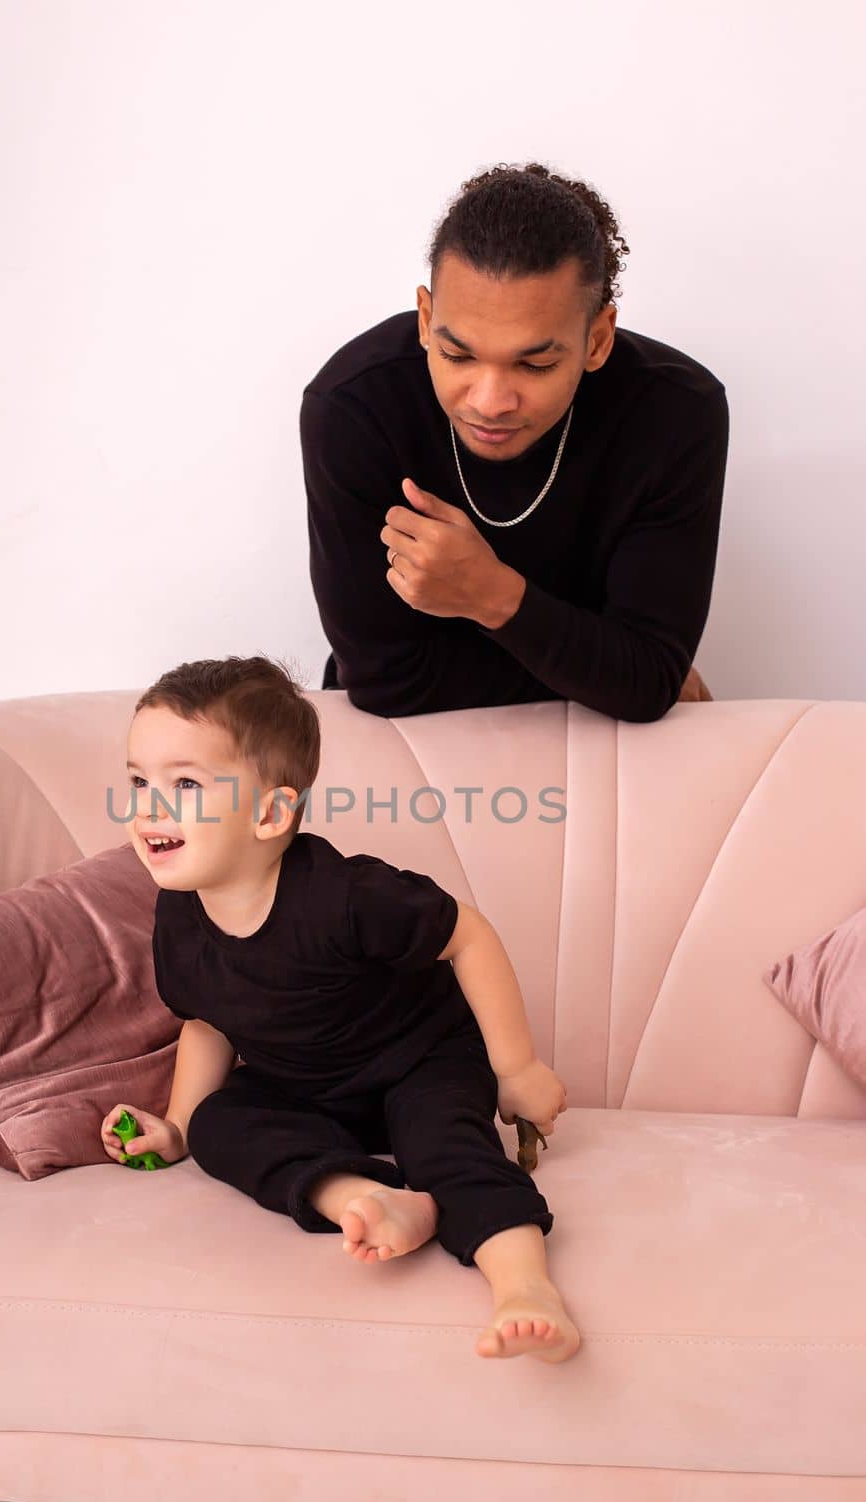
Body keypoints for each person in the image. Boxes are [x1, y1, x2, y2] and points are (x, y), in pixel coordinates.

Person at [101, 654, 581, 1363]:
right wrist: (175, 1126)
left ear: (269, 813)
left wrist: (516, 1066)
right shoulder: (178, 917)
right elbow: (206, 1020)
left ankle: (523, 1286)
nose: (148, 806)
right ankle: (366, 1196)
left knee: (445, 1143)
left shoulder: (346, 895)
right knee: (219, 1125)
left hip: (419, 1065)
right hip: (303, 1089)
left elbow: (467, 936)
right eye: (139, 780)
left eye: (185, 785)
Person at [300, 161, 729, 722]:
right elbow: (384, 682)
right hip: (412, 741)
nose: (489, 401)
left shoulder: (676, 412)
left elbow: (646, 680)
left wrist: (491, 594)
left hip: (604, 747)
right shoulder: (354, 405)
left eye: (535, 364)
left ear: (597, 340)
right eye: (457, 356)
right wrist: (609, 674)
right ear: (426, 318)